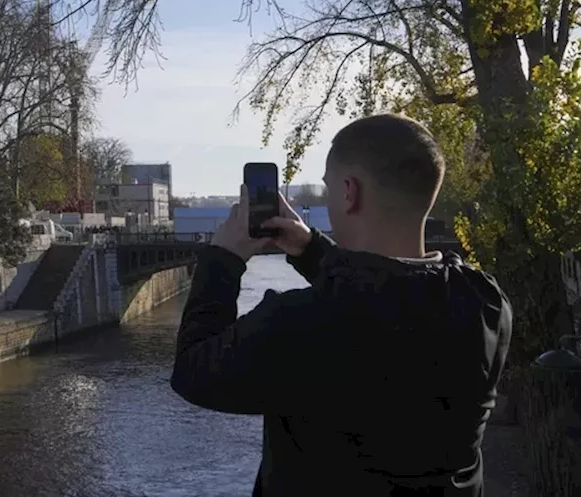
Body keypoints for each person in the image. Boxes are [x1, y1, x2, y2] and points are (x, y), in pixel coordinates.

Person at [170, 114, 512, 496]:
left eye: (330, 189)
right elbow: (384, 302)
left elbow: (192, 370)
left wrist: (222, 259)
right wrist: (312, 250)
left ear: (349, 193)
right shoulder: (485, 303)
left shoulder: (297, 323)